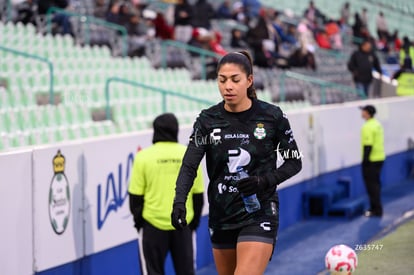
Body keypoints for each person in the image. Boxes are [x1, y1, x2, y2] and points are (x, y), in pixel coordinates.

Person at [171, 51, 302, 275]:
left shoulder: (272, 116)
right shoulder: (207, 121)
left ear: (249, 80)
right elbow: (189, 165)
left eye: (235, 80)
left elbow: (293, 162)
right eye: (222, 80)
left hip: (259, 213)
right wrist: (179, 201)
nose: (227, 87)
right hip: (222, 214)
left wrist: (263, 181)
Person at [128, 113, 204, 275]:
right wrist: (192, 225)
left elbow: (135, 198)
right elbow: (198, 196)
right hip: (183, 225)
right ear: (176, 130)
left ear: (155, 131)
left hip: (152, 226)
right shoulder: (189, 155)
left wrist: (140, 223)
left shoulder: (143, 157)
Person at [359, 105, 385, 217]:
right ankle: (376, 208)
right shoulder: (377, 124)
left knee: (371, 186)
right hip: (380, 158)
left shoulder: (367, 127)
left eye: (363, 111)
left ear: (367, 113)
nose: (361, 113)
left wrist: (365, 161)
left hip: (371, 160)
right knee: (376, 184)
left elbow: (368, 146)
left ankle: (375, 209)